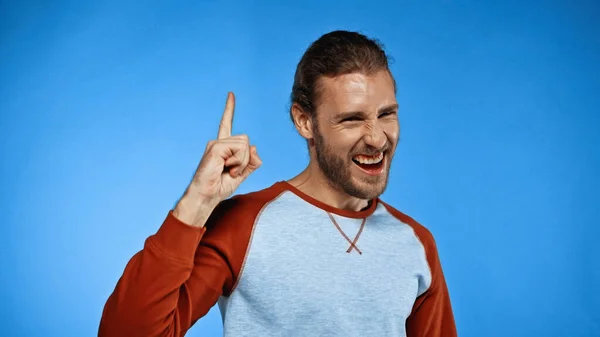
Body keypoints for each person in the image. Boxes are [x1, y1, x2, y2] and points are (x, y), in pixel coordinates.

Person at [98, 30, 457, 337]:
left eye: (386, 114)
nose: (377, 139)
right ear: (304, 121)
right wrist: (196, 202)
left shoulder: (416, 243)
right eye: (351, 120)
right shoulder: (243, 223)